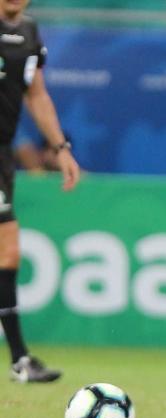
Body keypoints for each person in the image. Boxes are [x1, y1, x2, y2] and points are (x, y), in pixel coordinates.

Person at [0, 0, 80, 383]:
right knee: (7, 246)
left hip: (3, 154)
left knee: (7, 251)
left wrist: (60, 147)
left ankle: (20, 360)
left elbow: (36, 94)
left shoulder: (29, 32)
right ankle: (19, 358)